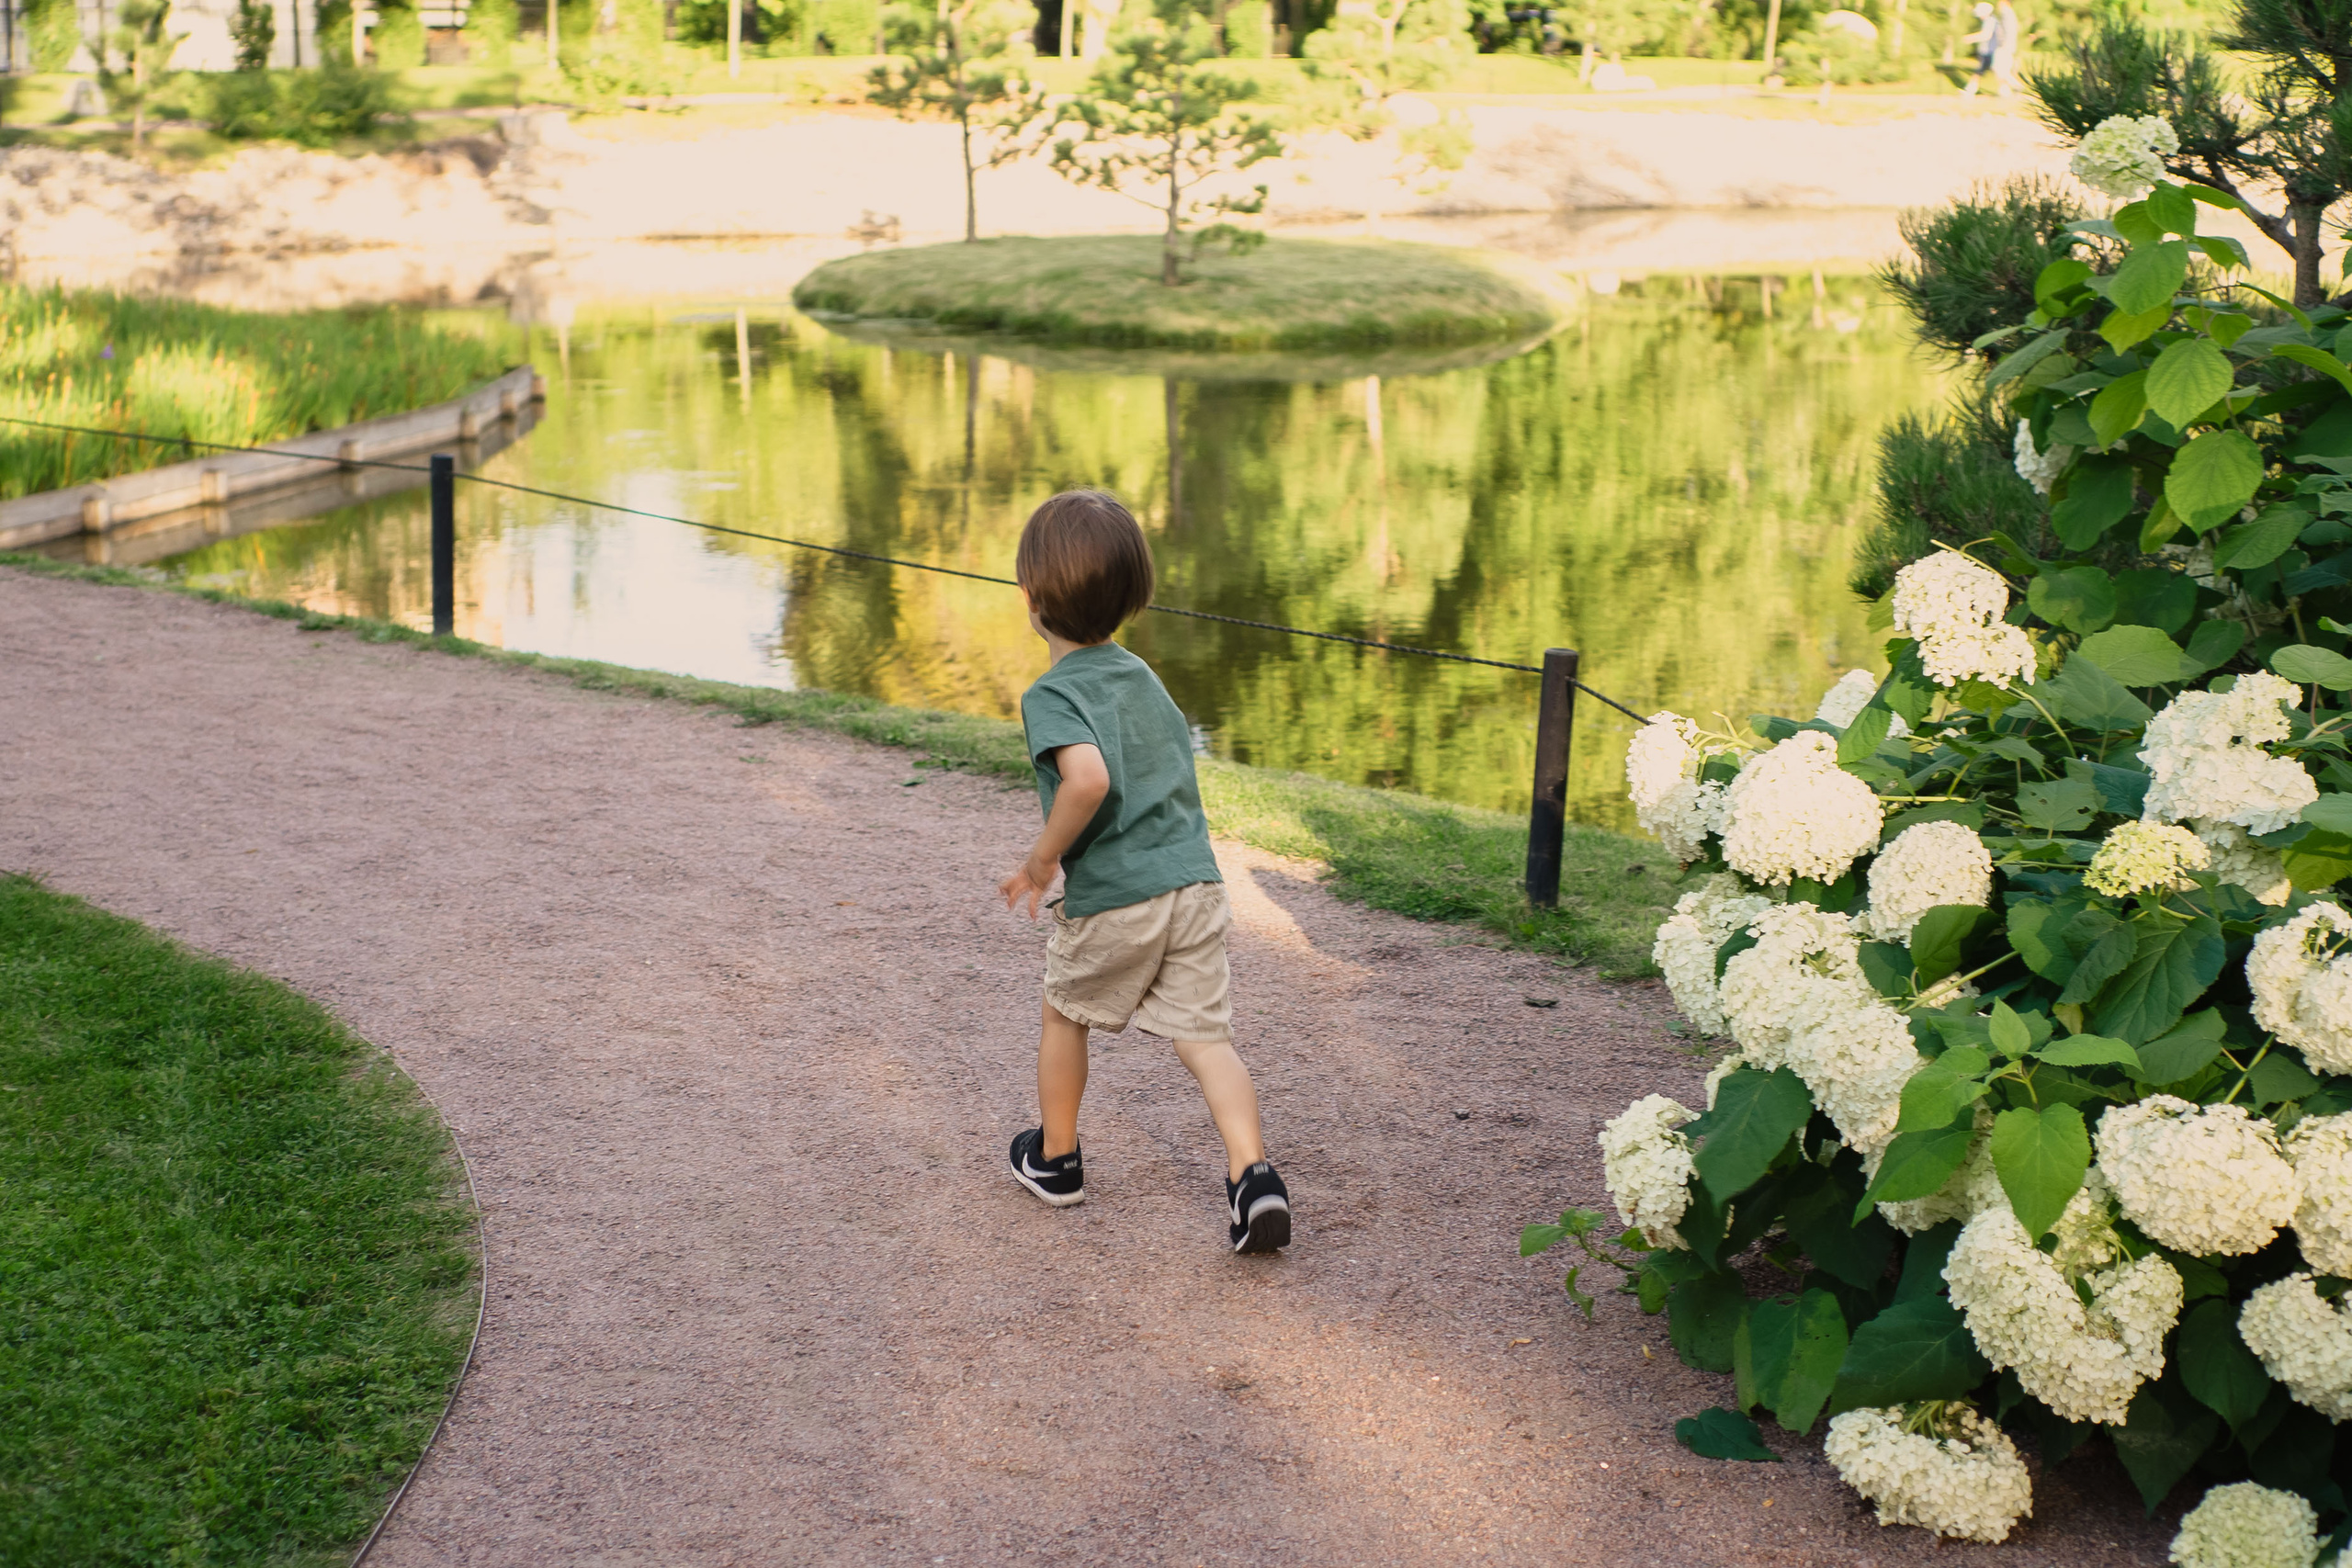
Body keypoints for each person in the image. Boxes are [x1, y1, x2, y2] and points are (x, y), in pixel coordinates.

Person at [997, 490, 1292, 1255]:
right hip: (1195, 887)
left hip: (1118, 898)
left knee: (1065, 1010)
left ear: (1030, 600)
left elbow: (1088, 780)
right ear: (1134, 597)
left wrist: (1042, 857)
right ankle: (1252, 1176)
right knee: (1205, 1037)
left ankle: (1056, 1157)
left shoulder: (1053, 693)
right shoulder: (1143, 676)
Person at [1960, 1, 1996, 94]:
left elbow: (1986, 35)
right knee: (1979, 71)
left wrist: (1970, 38)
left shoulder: (1990, 21)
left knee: (1998, 72)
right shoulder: (1990, 21)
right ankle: (1970, 89)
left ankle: (2016, 88)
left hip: (1990, 51)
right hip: (1987, 51)